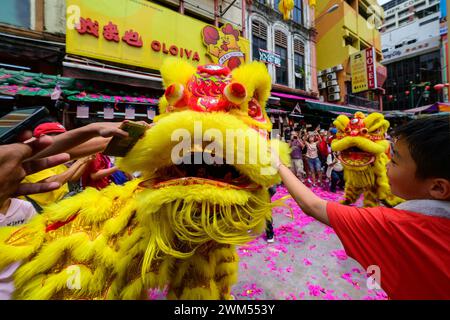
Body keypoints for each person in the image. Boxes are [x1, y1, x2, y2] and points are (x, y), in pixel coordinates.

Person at [271, 115, 450, 299]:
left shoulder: (395, 225)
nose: (388, 164)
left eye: (394, 161)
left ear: (438, 187)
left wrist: (278, 163)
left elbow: (312, 205)